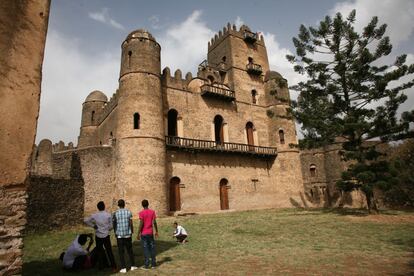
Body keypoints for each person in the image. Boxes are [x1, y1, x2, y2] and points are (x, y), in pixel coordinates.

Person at [84, 201, 117, 271]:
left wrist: (93, 226)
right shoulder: (108, 215)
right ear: (104, 206)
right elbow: (111, 226)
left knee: (99, 251)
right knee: (109, 251)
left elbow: (86, 221)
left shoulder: (95, 215)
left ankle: (101, 266)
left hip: (98, 235)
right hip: (106, 235)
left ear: (98, 208)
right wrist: (107, 229)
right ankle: (113, 266)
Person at [113, 199, 137, 273]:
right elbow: (131, 223)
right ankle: (132, 266)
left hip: (119, 235)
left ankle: (123, 268)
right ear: (124, 204)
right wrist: (132, 231)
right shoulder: (128, 212)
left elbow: (114, 224)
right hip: (127, 234)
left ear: (118, 205)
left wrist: (115, 232)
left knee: (121, 252)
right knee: (130, 250)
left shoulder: (115, 213)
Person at [137, 199, 158, 270]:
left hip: (144, 233)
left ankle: (146, 265)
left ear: (142, 205)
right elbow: (154, 222)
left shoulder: (141, 213)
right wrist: (156, 231)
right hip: (150, 233)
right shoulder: (152, 212)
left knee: (145, 249)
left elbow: (141, 223)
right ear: (148, 204)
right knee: (152, 248)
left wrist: (138, 233)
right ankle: (153, 264)